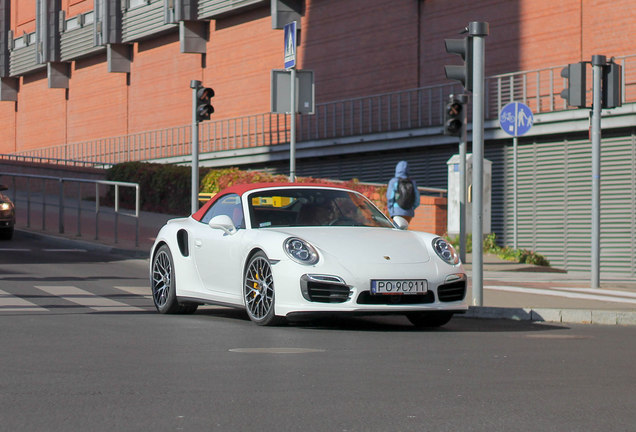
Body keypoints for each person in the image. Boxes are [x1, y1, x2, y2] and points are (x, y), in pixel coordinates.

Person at [386, 160, 420, 226]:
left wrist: (391, 211)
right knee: (405, 230)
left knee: (397, 232)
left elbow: (390, 197)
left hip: (396, 211)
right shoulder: (412, 182)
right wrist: (411, 208)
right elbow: (417, 199)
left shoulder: (394, 181)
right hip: (409, 212)